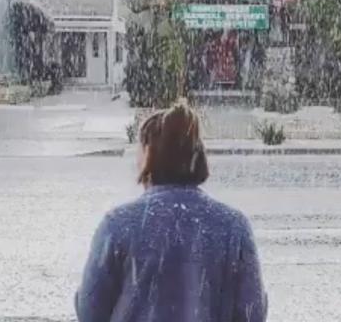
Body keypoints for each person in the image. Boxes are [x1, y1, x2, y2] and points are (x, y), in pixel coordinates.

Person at [76, 100, 267, 322]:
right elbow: (252, 313)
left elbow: (90, 310)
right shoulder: (233, 226)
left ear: (149, 155)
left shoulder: (118, 225)